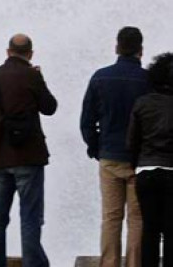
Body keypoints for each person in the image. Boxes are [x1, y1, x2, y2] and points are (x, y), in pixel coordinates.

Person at [0, 34, 57, 267]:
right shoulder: (32, 76)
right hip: (28, 156)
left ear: (8, 52)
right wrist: (39, 78)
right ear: (30, 54)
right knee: (30, 218)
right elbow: (50, 107)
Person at [80, 27, 148, 267]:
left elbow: (86, 121)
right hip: (140, 160)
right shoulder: (148, 80)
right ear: (141, 50)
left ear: (117, 47)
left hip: (109, 156)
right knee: (137, 219)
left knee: (111, 217)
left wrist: (96, 148)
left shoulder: (100, 77)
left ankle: (109, 264)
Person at [127, 52, 173, 267]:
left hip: (146, 170)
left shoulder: (142, 103)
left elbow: (132, 142)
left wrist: (137, 164)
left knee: (150, 230)